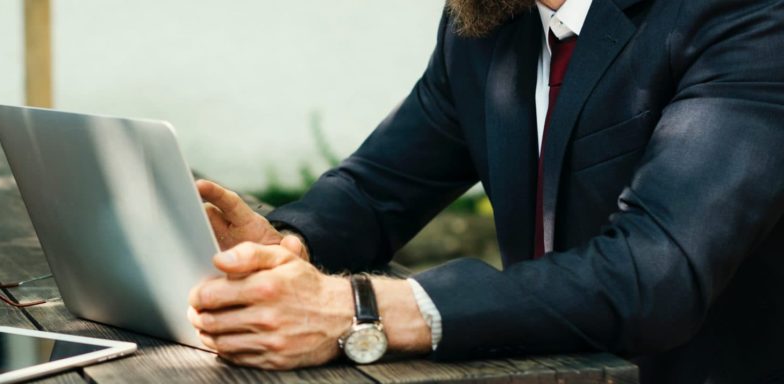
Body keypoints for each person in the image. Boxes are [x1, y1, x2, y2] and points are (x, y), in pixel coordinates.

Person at [187, 0, 784, 382]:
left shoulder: (748, 17)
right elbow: (379, 188)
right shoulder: (487, 20)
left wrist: (361, 311)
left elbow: (652, 274)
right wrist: (287, 242)